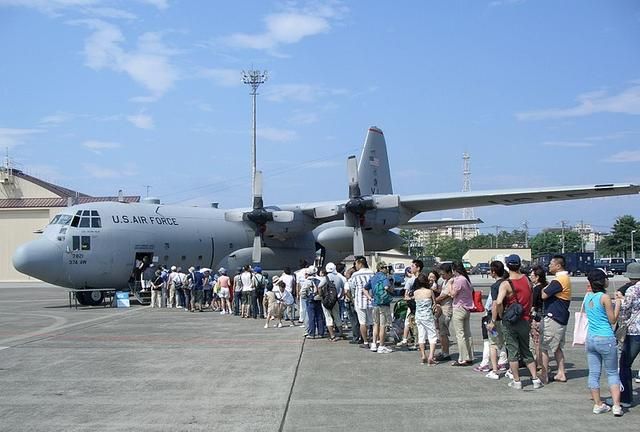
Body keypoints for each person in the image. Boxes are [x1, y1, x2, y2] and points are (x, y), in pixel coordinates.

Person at [491, 254, 542, 390]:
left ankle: (517, 380)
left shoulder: (506, 283)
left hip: (510, 321)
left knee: (513, 351)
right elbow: (531, 296)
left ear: (507, 266)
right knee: (526, 349)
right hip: (525, 319)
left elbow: (499, 301)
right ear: (520, 265)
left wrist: (501, 314)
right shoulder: (526, 280)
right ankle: (535, 378)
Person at [583, 268, 623, 416]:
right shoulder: (604, 297)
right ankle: (617, 406)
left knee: (594, 373)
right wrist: (617, 304)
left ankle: (598, 403)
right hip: (606, 337)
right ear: (603, 281)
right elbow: (612, 320)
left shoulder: (588, 297)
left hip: (591, 338)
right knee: (612, 372)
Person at [540, 255, 571, 384]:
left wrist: (543, 288)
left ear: (558, 266)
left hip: (554, 317)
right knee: (557, 347)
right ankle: (561, 372)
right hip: (561, 316)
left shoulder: (559, 280)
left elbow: (543, 294)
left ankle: (544, 374)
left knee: (544, 347)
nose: (549, 266)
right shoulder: (565, 278)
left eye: (551, 264)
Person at [614, 262, 640, 409]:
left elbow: (624, 313)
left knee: (624, 364)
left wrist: (619, 301)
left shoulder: (631, 290)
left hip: (635, 331)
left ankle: (625, 398)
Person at [485, 261, 509, 380]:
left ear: (494, 272)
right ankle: (510, 368)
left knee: (493, 344)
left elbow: (495, 304)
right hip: (508, 318)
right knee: (508, 342)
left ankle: (495, 370)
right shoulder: (508, 283)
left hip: (497, 319)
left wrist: (493, 321)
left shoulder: (495, 286)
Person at [448, 262, 474, 366]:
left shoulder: (459, 280)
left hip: (459, 308)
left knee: (460, 335)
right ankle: (470, 356)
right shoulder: (466, 279)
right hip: (467, 308)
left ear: (454, 270)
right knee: (467, 334)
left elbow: (452, 294)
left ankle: (463, 358)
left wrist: (450, 284)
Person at [366, 262, 394, 353]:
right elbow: (386, 287)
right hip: (384, 304)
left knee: (375, 324)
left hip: (375, 303)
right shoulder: (384, 277)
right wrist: (391, 290)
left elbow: (365, 288)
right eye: (386, 267)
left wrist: (370, 298)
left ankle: (374, 344)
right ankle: (381, 345)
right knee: (383, 325)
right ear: (383, 268)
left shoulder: (373, 278)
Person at [349, 256, 375, 348]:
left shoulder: (355, 275)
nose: (355, 266)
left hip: (360, 301)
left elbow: (351, 287)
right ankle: (375, 341)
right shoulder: (372, 272)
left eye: (356, 263)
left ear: (360, 263)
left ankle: (366, 342)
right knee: (373, 322)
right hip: (372, 300)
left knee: (362, 322)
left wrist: (353, 297)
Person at [413, 273, 438, 364]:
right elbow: (434, 303)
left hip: (418, 316)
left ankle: (423, 355)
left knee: (421, 336)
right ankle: (431, 356)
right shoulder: (429, 291)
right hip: (428, 316)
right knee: (432, 336)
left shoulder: (415, 292)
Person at [530, 265, 547, 369]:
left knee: (537, 342)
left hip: (537, 316)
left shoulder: (536, 289)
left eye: (532, 275)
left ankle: (539, 363)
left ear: (537, 277)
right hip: (545, 316)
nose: (530, 277)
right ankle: (542, 362)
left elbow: (533, 305)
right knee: (542, 342)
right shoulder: (546, 286)